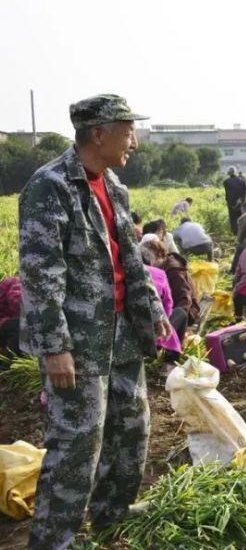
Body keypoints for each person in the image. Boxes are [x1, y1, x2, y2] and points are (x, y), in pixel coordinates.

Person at [19, 94, 170, 548]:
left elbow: (131, 260)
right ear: (99, 133)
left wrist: (155, 310)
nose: (135, 142)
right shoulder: (50, 187)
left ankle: (112, 513)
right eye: (128, 131)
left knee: (132, 428)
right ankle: (53, 540)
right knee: (77, 446)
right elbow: (41, 273)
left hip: (122, 331)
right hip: (79, 340)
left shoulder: (114, 186)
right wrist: (55, 347)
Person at [139, 237, 184, 364]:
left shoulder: (124, 270)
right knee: (181, 313)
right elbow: (168, 304)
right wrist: (165, 323)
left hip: (130, 329)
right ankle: (170, 362)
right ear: (153, 257)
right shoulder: (158, 273)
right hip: (155, 331)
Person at [0, 276, 22, 358]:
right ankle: (9, 364)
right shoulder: (16, 282)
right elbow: (17, 304)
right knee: (19, 324)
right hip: (4, 324)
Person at [223, 166, 246, 234]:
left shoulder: (226, 182)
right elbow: (245, 191)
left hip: (232, 204)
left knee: (233, 218)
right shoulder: (242, 181)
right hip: (242, 203)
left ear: (229, 173)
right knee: (242, 217)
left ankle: (235, 233)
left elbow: (228, 194)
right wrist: (241, 199)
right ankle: (243, 232)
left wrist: (232, 203)